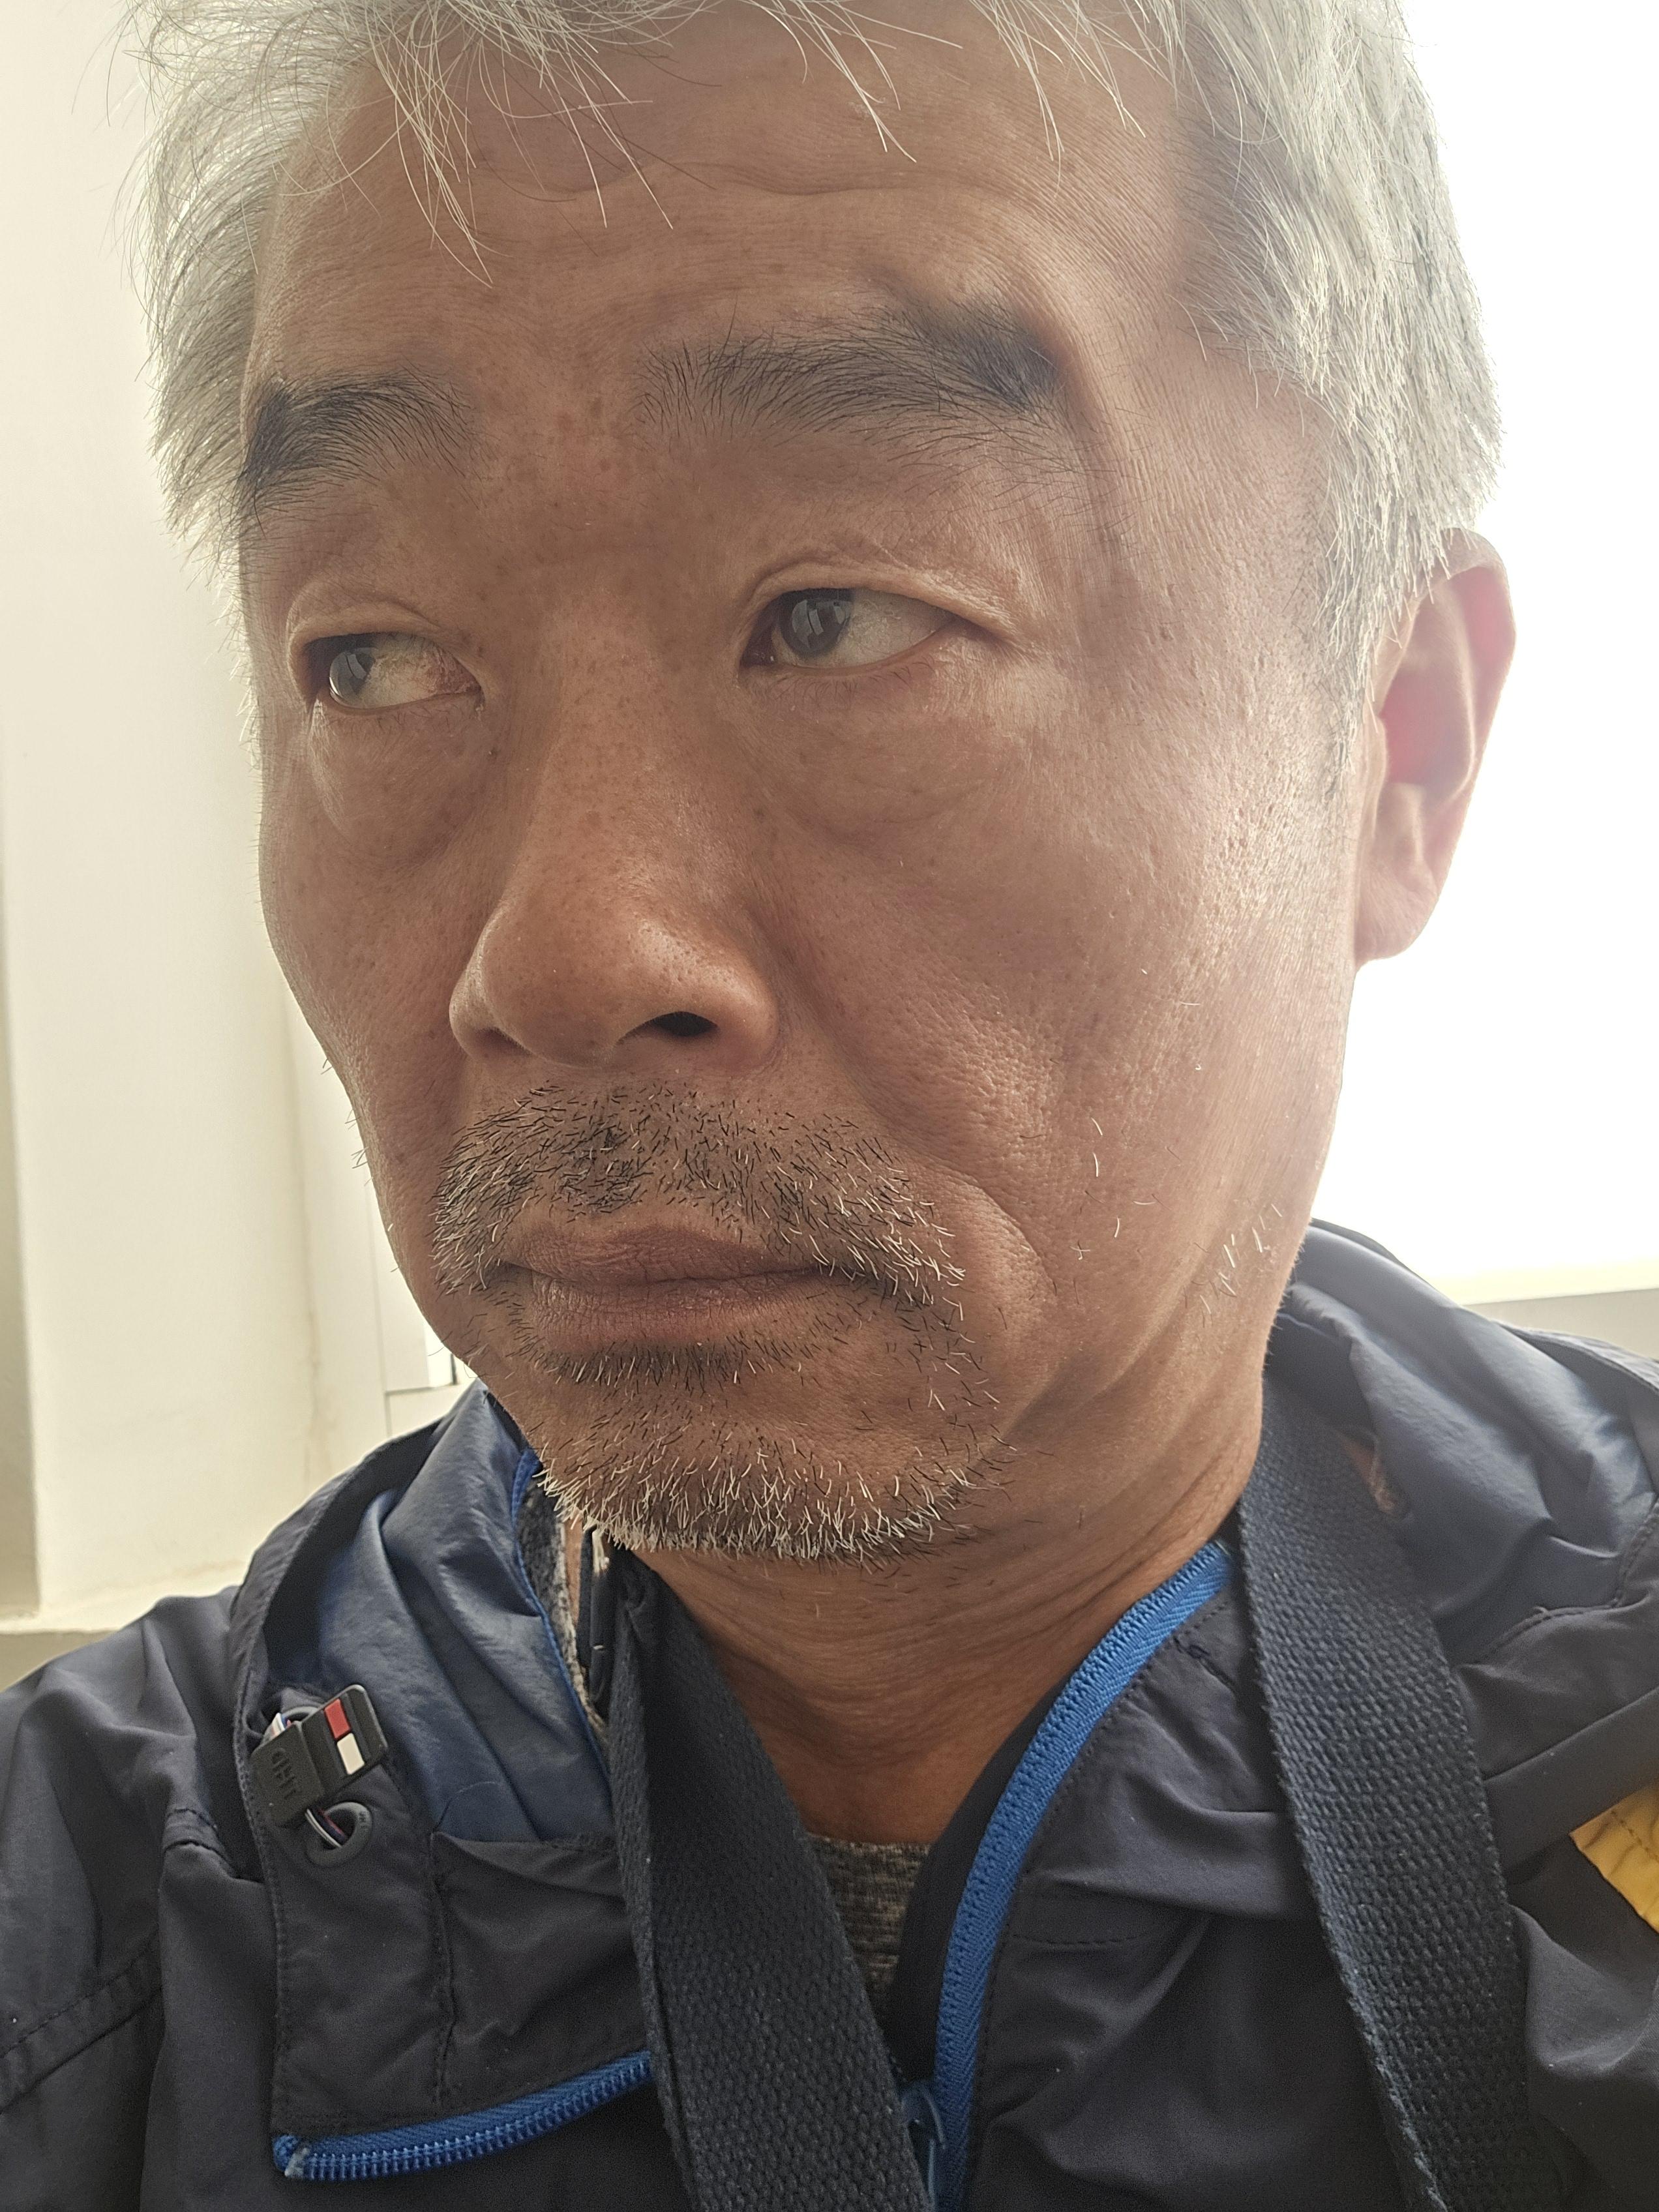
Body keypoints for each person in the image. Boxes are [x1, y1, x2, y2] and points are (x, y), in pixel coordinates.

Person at [3, 0, 1656, 2203]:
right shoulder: (87, 1950)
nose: (560, 959)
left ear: (1400, 746)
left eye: (842, 614)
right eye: (374, 659)